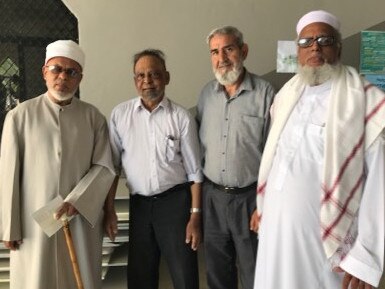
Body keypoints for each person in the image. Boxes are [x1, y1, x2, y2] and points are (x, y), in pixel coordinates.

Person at [254, 10, 385, 289]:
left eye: (324, 39)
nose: (314, 46)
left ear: (338, 46)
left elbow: (381, 184)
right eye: (306, 41)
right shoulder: (285, 96)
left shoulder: (367, 102)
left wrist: (366, 256)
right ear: (297, 50)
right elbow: (275, 160)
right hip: (275, 236)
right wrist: (261, 204)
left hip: (325, 245)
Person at [0, 40, 116, 289]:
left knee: (79, 278)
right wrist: (10, 227)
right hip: (33, 223)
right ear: (44, 72)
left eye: (71, 72)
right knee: (36, 279)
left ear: (80, 77)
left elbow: (104, 167)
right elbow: (8, 175)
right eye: (56, 69)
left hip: (79, 219)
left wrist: (78, 199)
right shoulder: (19, 116)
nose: (62, 77)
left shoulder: (93, 117)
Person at [109, 49, 203, 289]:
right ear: (134, 81)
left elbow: (194, 173)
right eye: (140, 75)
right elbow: (112, 167)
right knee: (140, 277)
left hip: (175, 205)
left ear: (167, 77)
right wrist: (109, 208)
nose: (147, 81)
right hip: (139, 206)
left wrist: (194, 216)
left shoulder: (181, 117)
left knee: (184, 275)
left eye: (154, 74)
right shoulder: (120, 116)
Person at [196, 26, 275, 289]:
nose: (222, 58)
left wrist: (263, 204)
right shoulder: (206, 95)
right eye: (215, 52)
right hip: (213, 198)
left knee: (255, 272)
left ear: (243, 50)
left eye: (228, 49)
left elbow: (276, 154)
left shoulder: (265, 94)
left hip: (250, 200)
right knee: (218, 273)